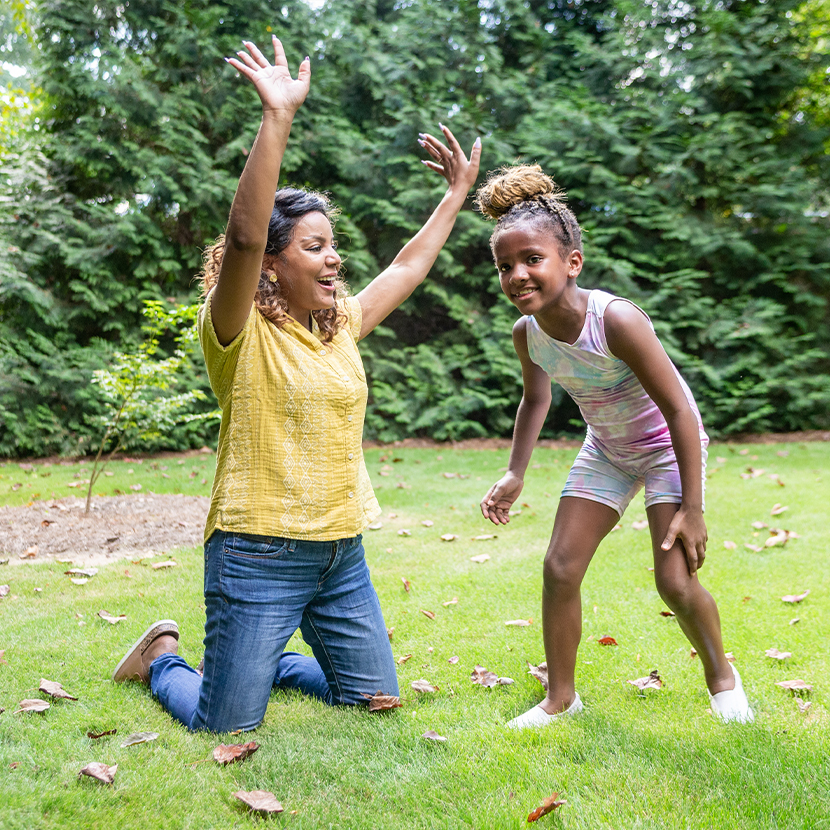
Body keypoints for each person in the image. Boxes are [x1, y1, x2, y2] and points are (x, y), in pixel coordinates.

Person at [111, 36, 480, 732]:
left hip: (340, 553)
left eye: (333, 243)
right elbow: (245, 237)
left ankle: (264, 662)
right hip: (256, 553)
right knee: (222, 725)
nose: (334, 257)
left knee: (372, 699)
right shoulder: (235, 330)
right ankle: (162, 657)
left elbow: (404, 268)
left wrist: (455, 194)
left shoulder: (339, 322)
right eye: (315, 246)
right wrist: (276, 116)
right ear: (274, 265)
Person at [477, 165, 753, 728]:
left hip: (669, 448)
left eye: (533, 260)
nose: (517, 276)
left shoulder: (616, 320)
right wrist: (514, 473)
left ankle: (722, 679)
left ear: (571, 262)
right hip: (607, 448)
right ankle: (561, 698)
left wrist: (693, 509)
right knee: (559, 567)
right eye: (505, 266)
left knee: (674, 580)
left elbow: (679, 409)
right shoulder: (526, 334)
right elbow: (536, 401)